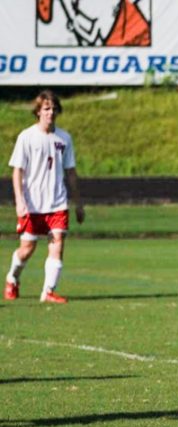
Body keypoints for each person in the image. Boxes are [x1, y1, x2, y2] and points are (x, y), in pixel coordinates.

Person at [6, 89, 84, 304]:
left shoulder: (64, 138)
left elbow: (71, 172)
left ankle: (48, 291)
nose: (51, 113)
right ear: (38, 112)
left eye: (54, 109)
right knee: (26, 249)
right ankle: (12, 278)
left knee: (57, 241)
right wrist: (20, 201)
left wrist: (78, 204)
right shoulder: (27, 137)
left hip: (57, 202)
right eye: (46, 109)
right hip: (32, 204)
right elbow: (17, 171)